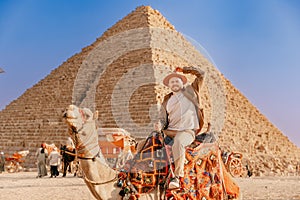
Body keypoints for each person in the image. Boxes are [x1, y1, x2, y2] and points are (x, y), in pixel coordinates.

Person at [155, 66, 205, 189]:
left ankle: (177, 176)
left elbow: (201, 74)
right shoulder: (167, 100)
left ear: (182, 82)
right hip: (169, 132)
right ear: (169, 85)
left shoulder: (191, 91)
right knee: (148, 144)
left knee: (178, 142)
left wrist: (185, 70)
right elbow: (162, 119)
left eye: (177, 80)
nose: (174, 83)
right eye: (172, 81)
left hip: (187, 131)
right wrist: (159, 125)